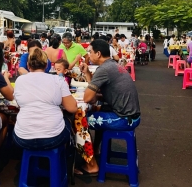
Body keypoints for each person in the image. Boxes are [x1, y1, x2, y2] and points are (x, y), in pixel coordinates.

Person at [79, 40, 141, 175]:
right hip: (132, 115)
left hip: (124, 119)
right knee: (100, 110)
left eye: (90, 52)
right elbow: (97, 94)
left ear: (98, 53)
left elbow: (87, 98)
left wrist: (91, 91)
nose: (89, 54)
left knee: (79, 121)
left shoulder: (104, 69)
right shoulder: (113, 65)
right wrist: (88, 74)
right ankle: (95, 150)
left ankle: (91, 165)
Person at [13, 48, 77, 151]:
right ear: (46, 65)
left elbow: (20, 104)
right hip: (53, 138)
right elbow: (72, 108)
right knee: (69, 120)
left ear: (28, 66)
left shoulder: (20, 80)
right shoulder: (58, 80)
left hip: (22, 138)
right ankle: (66, 158)